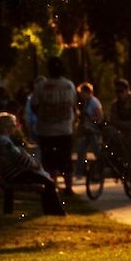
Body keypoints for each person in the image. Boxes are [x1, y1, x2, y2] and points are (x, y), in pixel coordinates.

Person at [0, 113, 66, 216]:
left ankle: (52, 211)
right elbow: (19, 158)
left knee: (47, 181)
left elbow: (17, 157)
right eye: (13, 124)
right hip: (15, 175)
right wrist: (34, 164)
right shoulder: (4, 142)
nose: (15, 127)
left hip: (12, 173)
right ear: (7, 127)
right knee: (50, 183)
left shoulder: (1, 140)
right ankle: (56, 212)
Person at [30, 57, 77, 187]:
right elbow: (73, 104)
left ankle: (52, 186)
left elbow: (34, 105)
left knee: (49, 161)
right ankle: (68, 187)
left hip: (46, 130)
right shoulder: (69, 85)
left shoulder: (41, 86)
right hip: (65, 129)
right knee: (66, 160)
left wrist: (44, 114)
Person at [72, 81, 104, 179]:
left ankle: (99, 172)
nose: (81, 95)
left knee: (97, 152)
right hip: (87, 131)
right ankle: (79, 173)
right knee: (81, 151)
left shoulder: (94, 102)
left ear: (86, 92)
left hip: (93, 131)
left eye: (82, 93)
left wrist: (90, 120)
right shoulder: (87, 103)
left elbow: (100, 117)